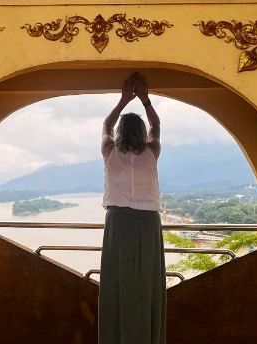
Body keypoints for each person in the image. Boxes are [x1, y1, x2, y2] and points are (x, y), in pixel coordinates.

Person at [98, 72, 166, 344]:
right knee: (147, 283)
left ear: (119, 133)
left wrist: (124, 100)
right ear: (142, 134)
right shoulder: (152, 151)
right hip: (148, 224)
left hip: (119, 222)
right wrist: (145, 100)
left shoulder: (109, 151)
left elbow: (105, 124)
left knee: (118, 283)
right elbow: (157, 125)